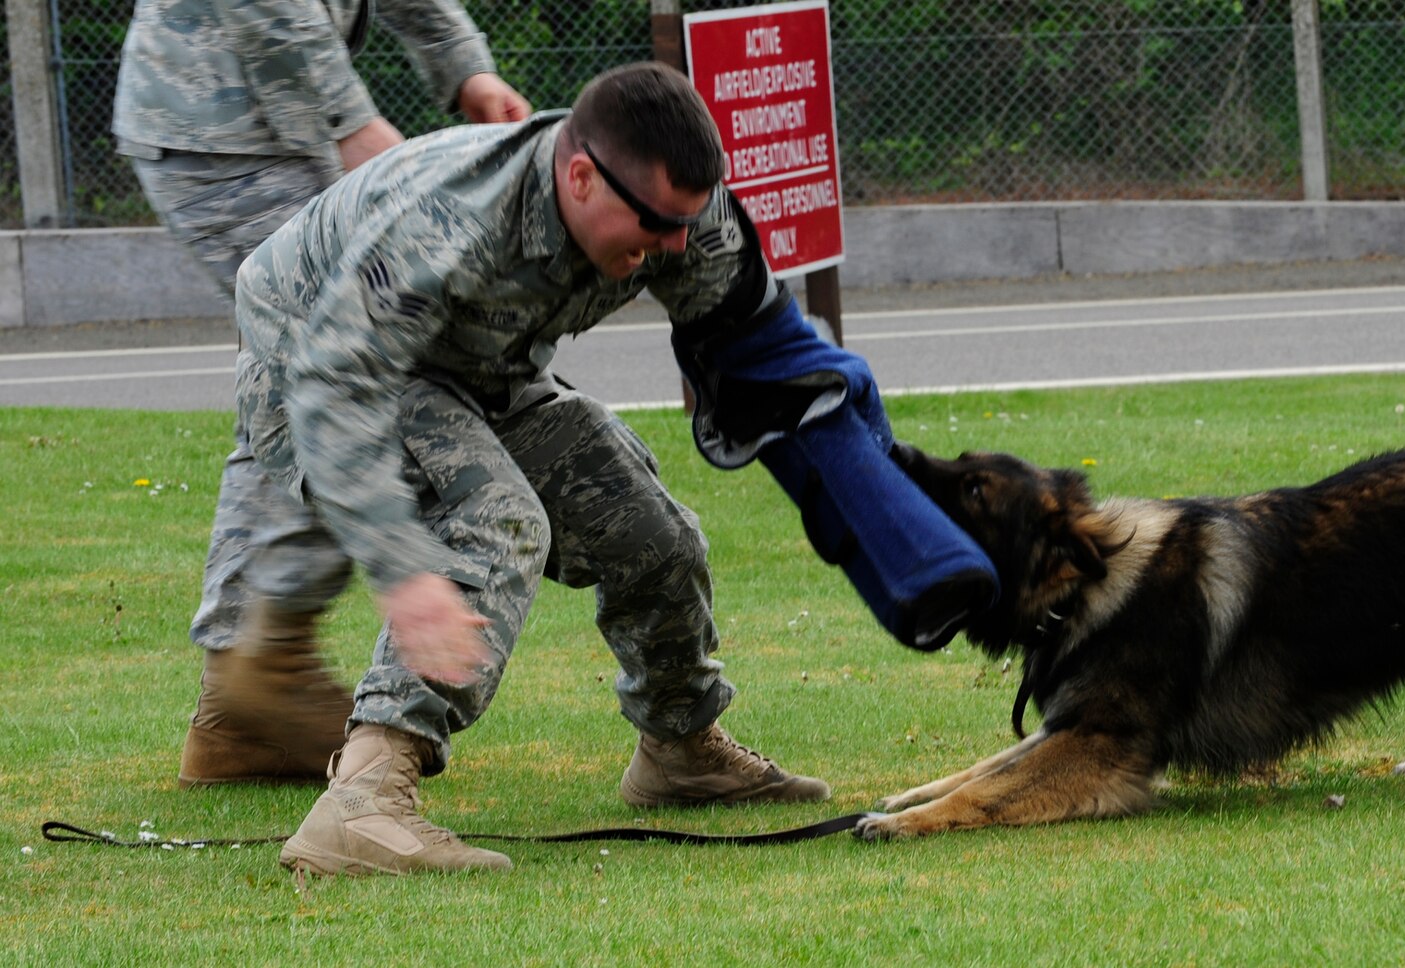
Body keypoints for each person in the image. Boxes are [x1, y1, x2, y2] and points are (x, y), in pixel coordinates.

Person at [241, 61, 993, 876]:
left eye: (686, 223)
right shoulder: (447, 222)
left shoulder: (678, 217)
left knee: (652, 532)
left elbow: (770, 356)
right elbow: (334, 381)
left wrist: (891, 513)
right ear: (580, 176)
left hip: (483, 370)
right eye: (656, 225)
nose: (674, 247)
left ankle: (680, 748)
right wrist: (402, 565)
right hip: (312, 367)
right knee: (498, 519)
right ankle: (360, 800)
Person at [112, 0, 530, 786]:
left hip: (259, 122)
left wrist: (463, 65)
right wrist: (347, 122)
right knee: (342, 360)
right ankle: (262, 667)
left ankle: (240, 699)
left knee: (292, 370)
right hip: (218, 122)